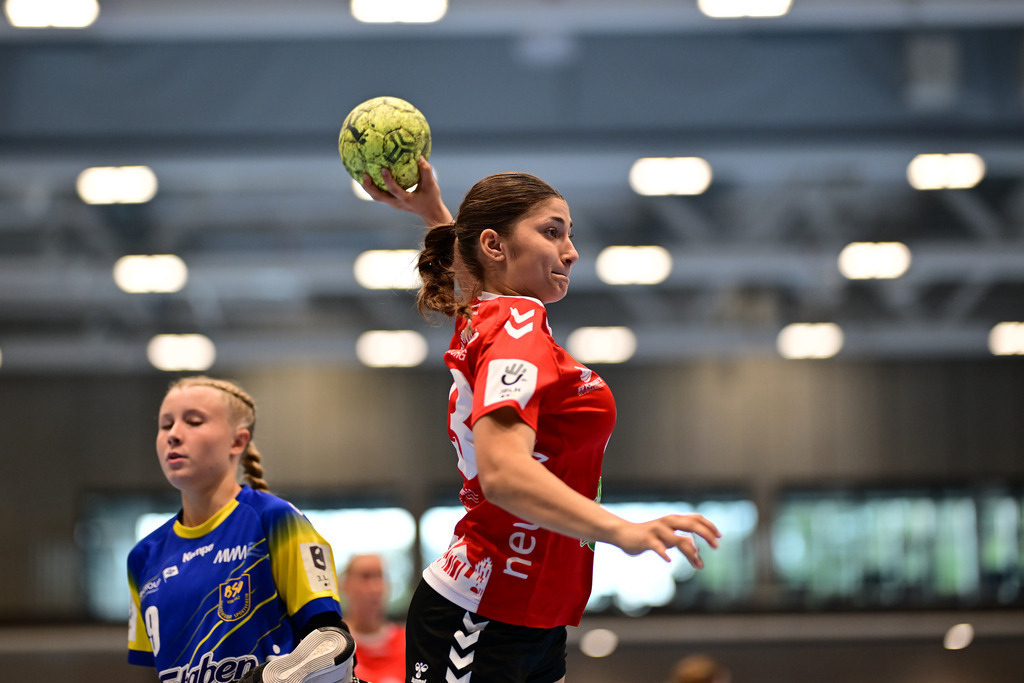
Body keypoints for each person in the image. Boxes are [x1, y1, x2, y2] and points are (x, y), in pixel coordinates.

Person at [363, 160, 723, 683]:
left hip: (535, 615)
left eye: (568, 235)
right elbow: (504, 475)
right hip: (482, 614)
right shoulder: (515, 326)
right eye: (552, 232)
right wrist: (624, 531)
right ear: (494, 245)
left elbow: (475, 270)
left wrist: (432, 212)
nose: (570, 251)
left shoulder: (491, 316)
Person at [127, 376, 362, 683]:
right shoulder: (143, 558)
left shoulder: (276, 520)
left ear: (237, 441)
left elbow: (332, 645)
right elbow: (149, 672)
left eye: (194, 421)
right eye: (165, 424)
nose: (174, 435)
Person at [340, 554, 406, 683]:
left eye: (380, 576)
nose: (375, 588)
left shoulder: (408, 643)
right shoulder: (333, 645)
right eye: (365, 577)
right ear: (345, 585)